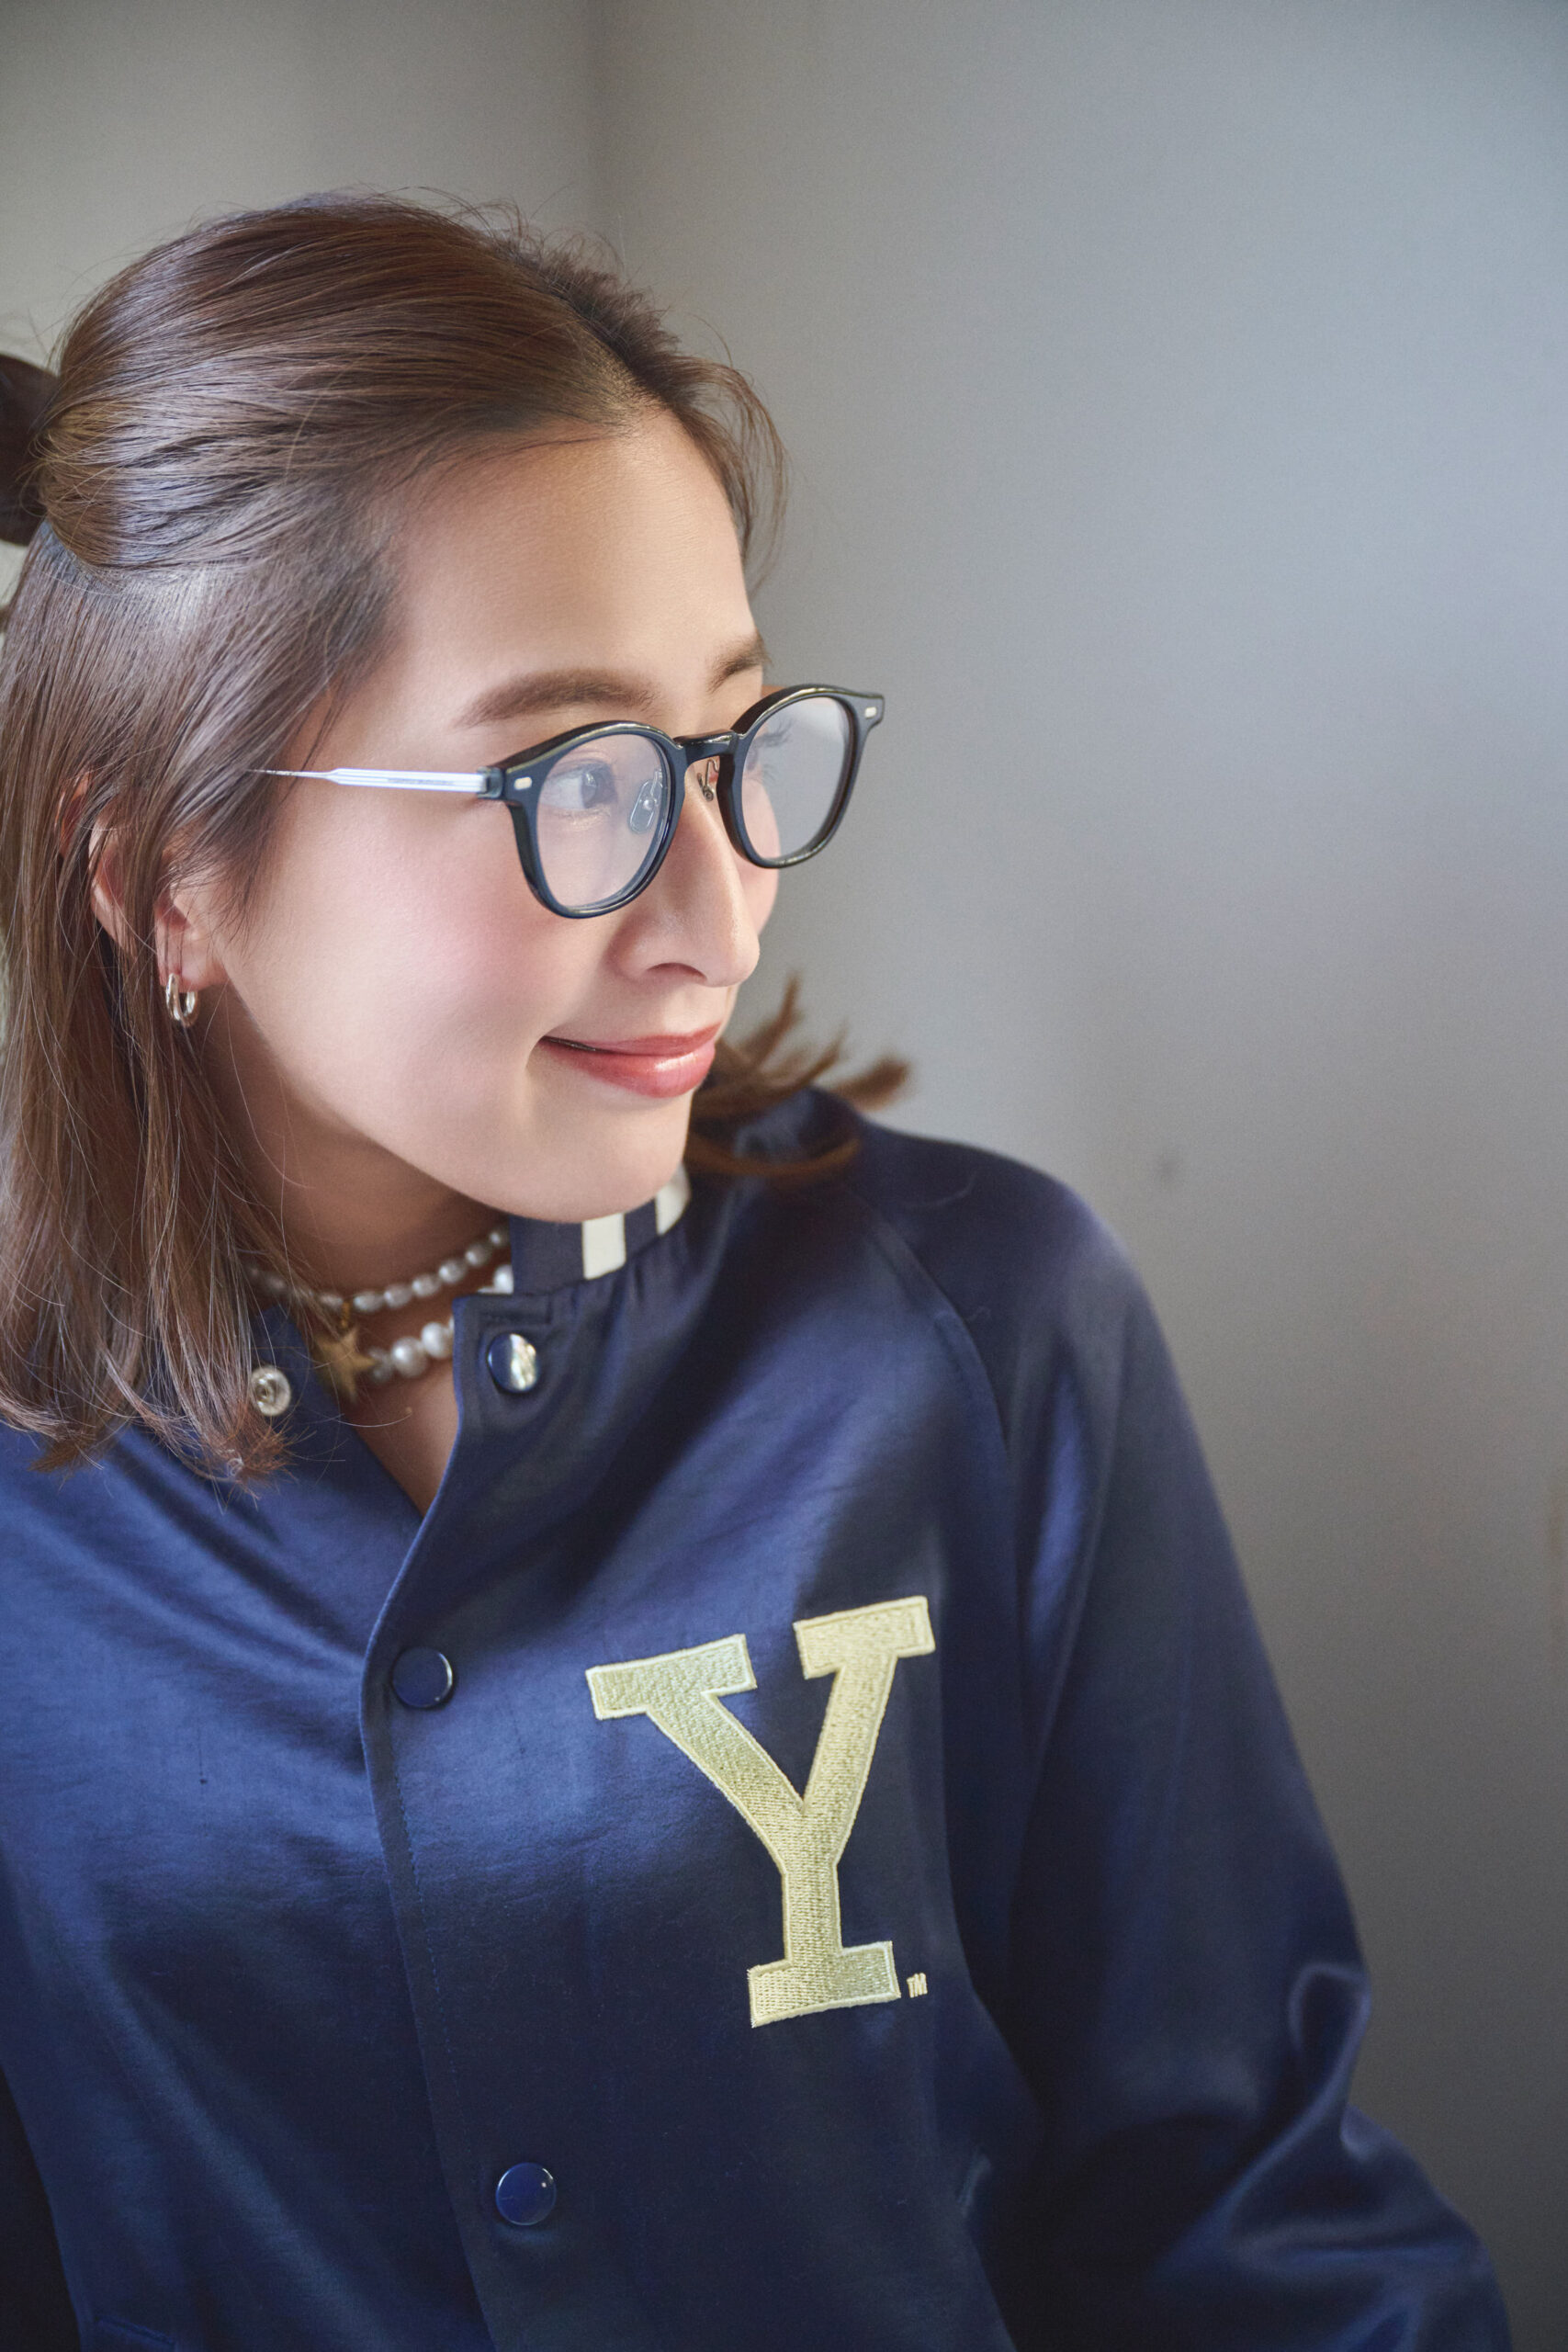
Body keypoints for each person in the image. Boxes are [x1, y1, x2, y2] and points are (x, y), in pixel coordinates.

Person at [0, 194, 1507, 2352]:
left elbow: (1243, 2219)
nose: (717, 904)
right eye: (571, 778)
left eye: (734, 743)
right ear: (159, 860)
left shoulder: (975, 1332)